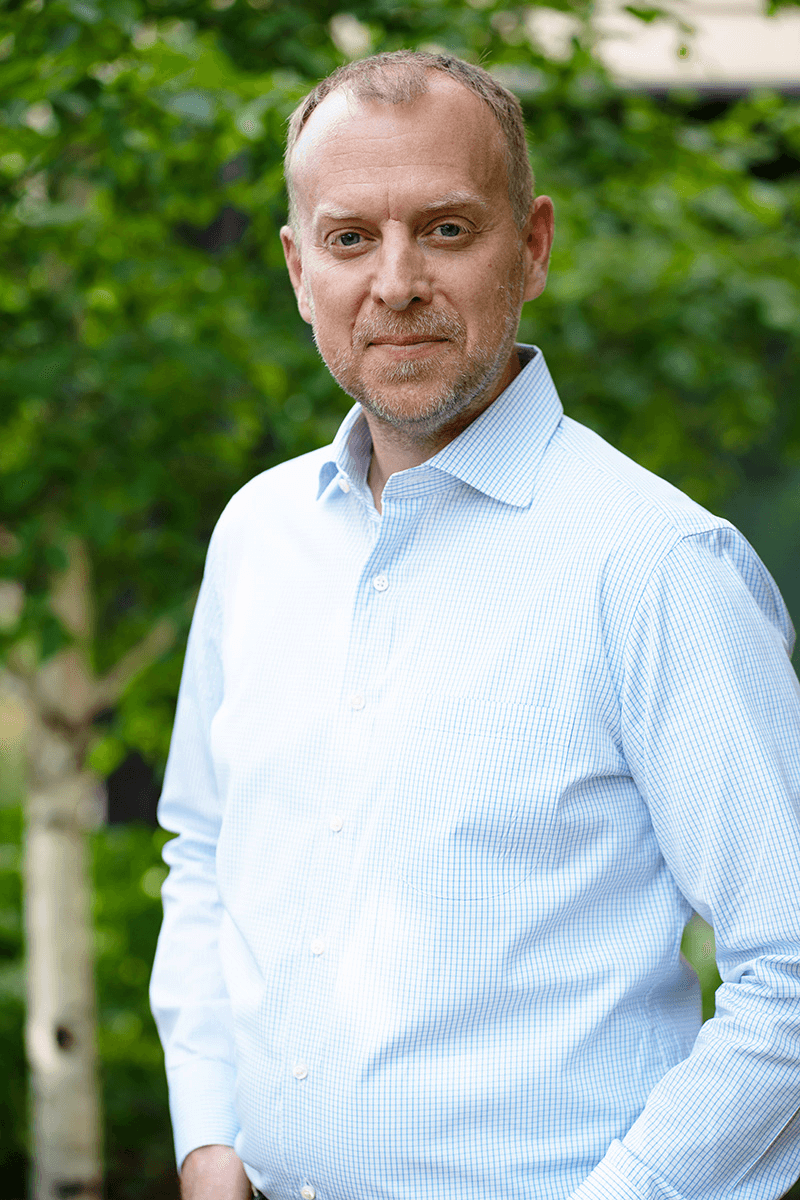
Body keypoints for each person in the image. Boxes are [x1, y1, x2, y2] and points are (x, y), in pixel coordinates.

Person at [150, 50, 800, 1200]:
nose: (395, 282)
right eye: (350, 238)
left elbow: (786, 974)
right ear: (298, 270)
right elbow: (203, 857)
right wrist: (207, 1141)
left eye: (444, 230)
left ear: (532, 247)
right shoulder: (257, 535)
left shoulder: (654, 567)